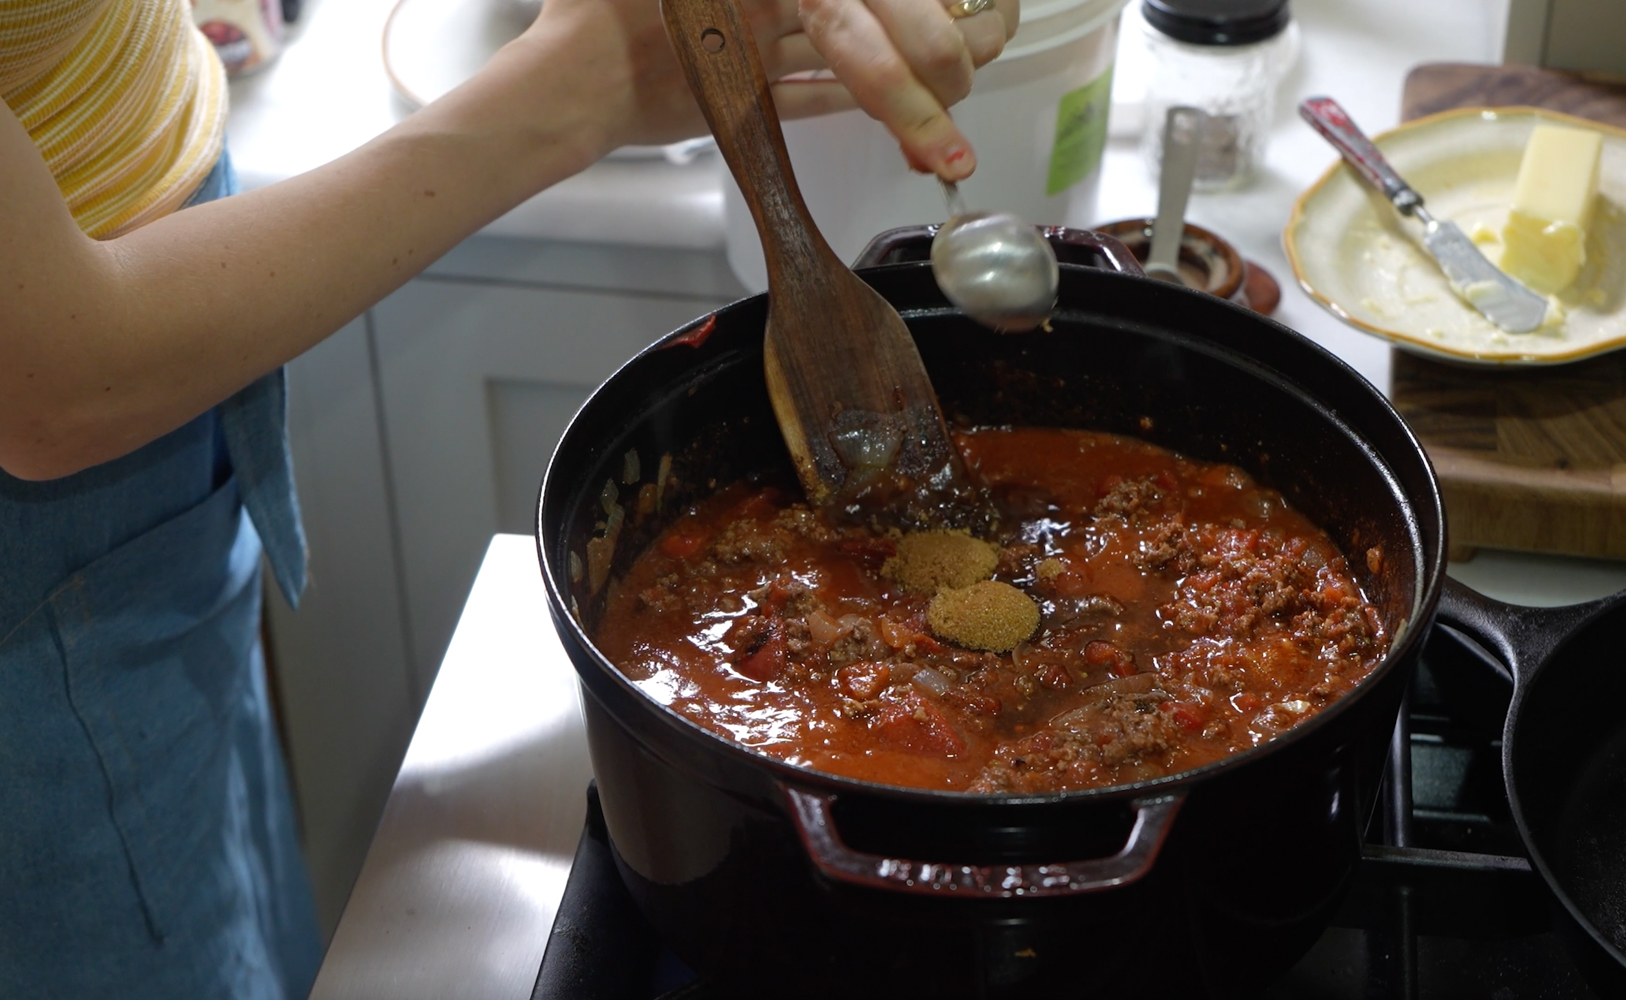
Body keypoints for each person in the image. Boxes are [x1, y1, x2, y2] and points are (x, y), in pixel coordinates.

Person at [0, 0, 1018, 994]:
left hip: (172, 297)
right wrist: (580, 86)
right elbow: (58, 382)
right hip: (69, 443)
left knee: (202, 858)